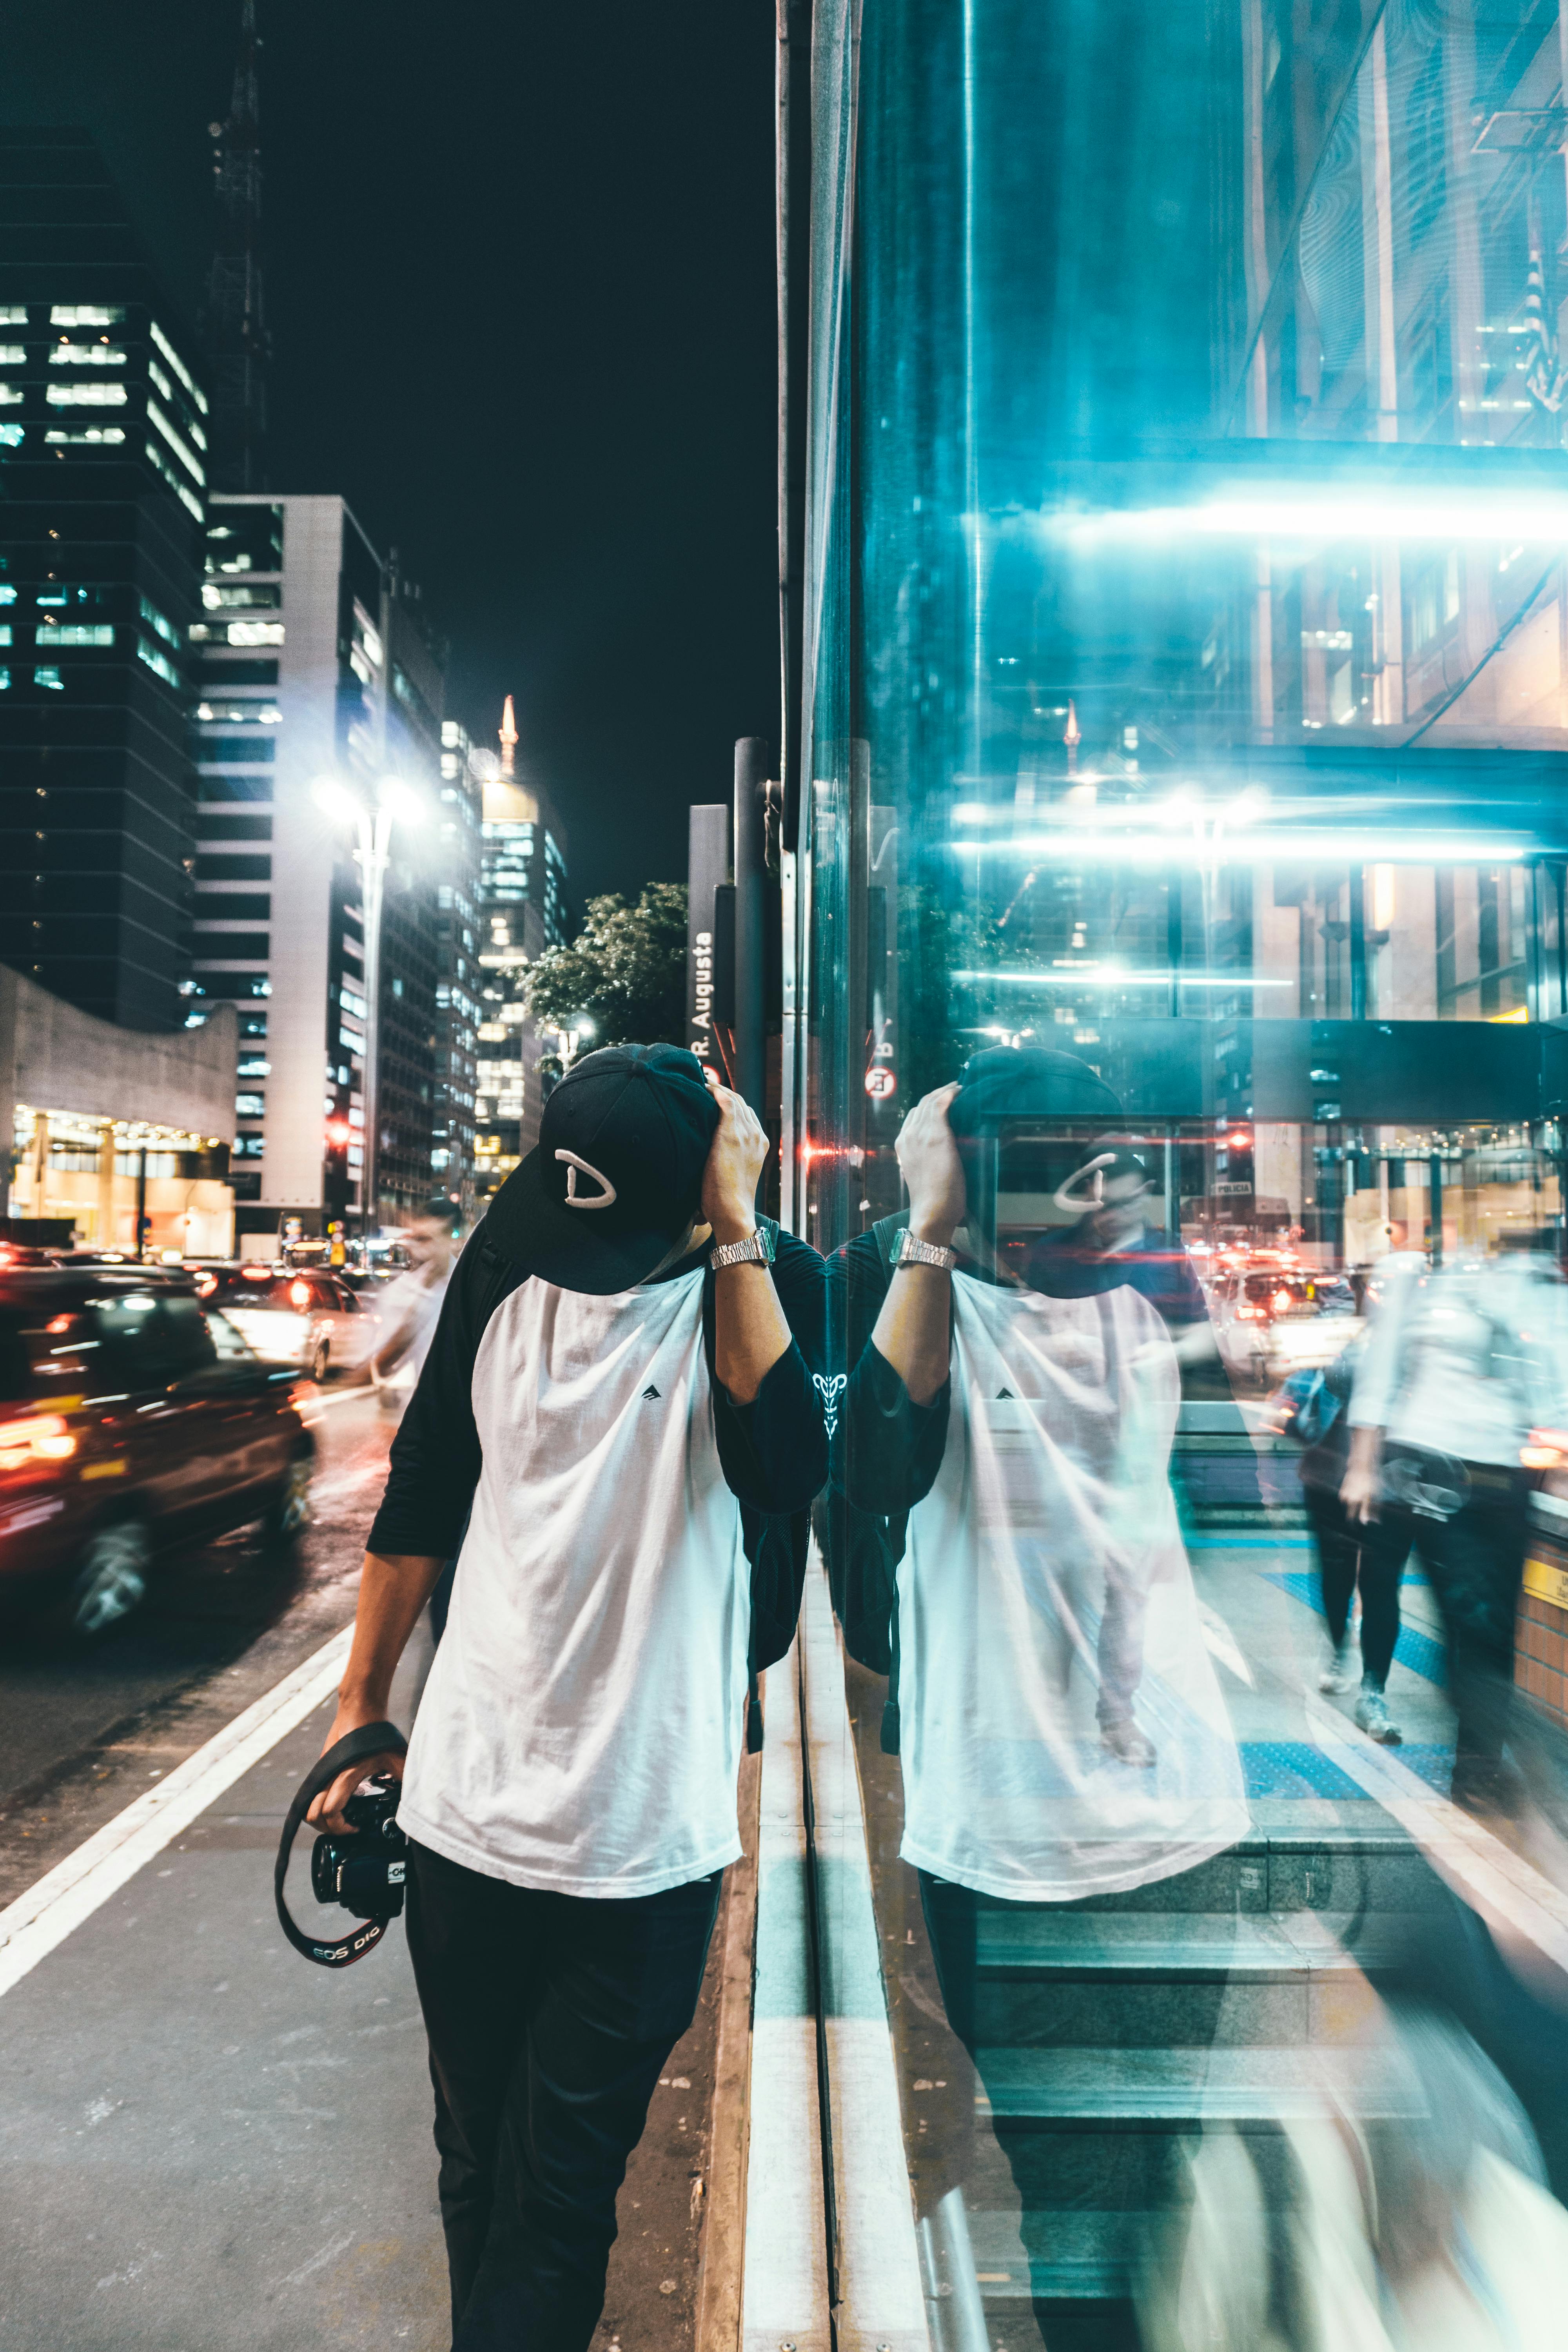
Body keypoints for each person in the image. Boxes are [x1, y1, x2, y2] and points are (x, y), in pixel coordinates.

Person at [308, 1044, 826, 2350]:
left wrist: (740, 1235)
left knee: (559, 2200)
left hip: (640, 1845)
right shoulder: (507, 1256)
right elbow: (428, 1478)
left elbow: (787, 1466)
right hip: (465, 1809)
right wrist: (358, 1707)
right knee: (475, 2164)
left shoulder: (770, 1287)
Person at [1343, 1243, 1568, 1808]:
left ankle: (1481, 1766)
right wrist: (1362, 1465)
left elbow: (1553, 1387)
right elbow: (1382, 1368)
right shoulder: (1422, 1274)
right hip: (1434, 1468)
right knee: (1468, 1615)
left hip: (1511, 1474)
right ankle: (1489, 1769)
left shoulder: (1537, 1280)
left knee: (1499, 1627)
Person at [351, 1195, 463, 1403]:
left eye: (428, 1238)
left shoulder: (469, 1288)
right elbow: (382, 1362)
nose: (419, 1246)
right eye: (417, 1238)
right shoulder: (400, 1293)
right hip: (425, 1413)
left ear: (452, 1238)